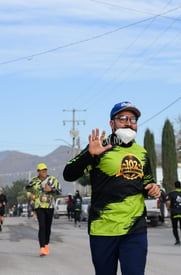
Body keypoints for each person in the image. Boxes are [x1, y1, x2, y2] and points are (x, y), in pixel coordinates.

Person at [63, 101, 161, 275]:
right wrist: (88, 155)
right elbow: (68, 174)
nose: (128, 123)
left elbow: (147, 183)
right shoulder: (100, 147)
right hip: (103, 228)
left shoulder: (142, 153)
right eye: (122, 118)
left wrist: (153, 188)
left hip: (134, 229)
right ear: (111, 123)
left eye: (133, 119)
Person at [26, 163, 61, 256]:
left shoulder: (53, 180)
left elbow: (59, 191)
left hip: (50, 206)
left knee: (48, 227)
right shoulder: (33, 180)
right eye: (42, 170)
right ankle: (41, 247)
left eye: (45, 170)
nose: (44, 171)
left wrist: (51, 190)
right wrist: (30, 195)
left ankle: (46, 244)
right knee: (42, 226)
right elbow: (27, 189)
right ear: (38, 171)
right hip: (39, 206)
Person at [165, 180, 181, 245]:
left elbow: (168, 202)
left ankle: (177, 241)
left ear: (174, 186)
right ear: (180, 186)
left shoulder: (171, 193)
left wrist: (168, 208)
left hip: (174, 212)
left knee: (175, 227)